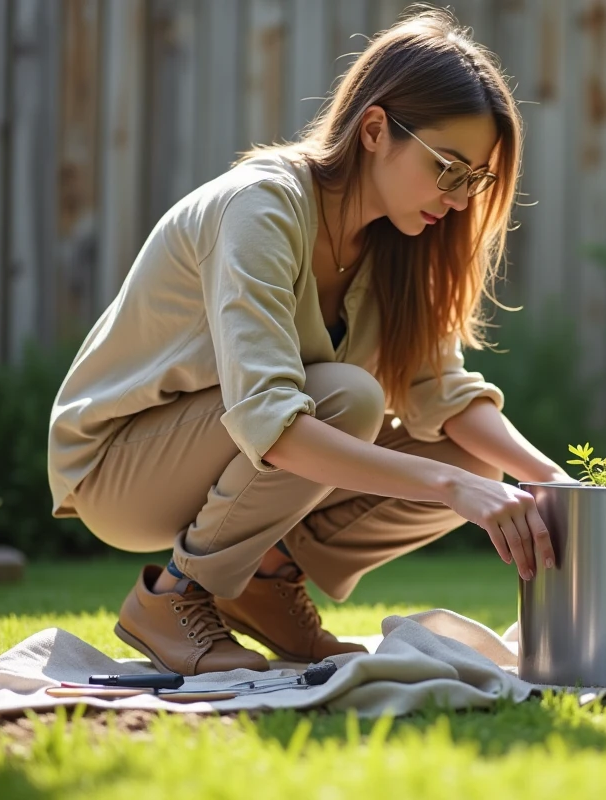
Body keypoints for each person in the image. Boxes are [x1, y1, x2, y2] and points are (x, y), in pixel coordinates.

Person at [47, 8, 573, 677]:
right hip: (118, 467)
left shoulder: (398, 242)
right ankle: (175, 596)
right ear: (376, 130)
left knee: (473, 461)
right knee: (348, 399)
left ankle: (266, 582)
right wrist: (446, 488)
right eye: (448, 169)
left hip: (231, 451)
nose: (462, 199)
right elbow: (274, 421)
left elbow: (441, 392)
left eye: (476, 180)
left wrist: (551, 481)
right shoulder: (261, 208)